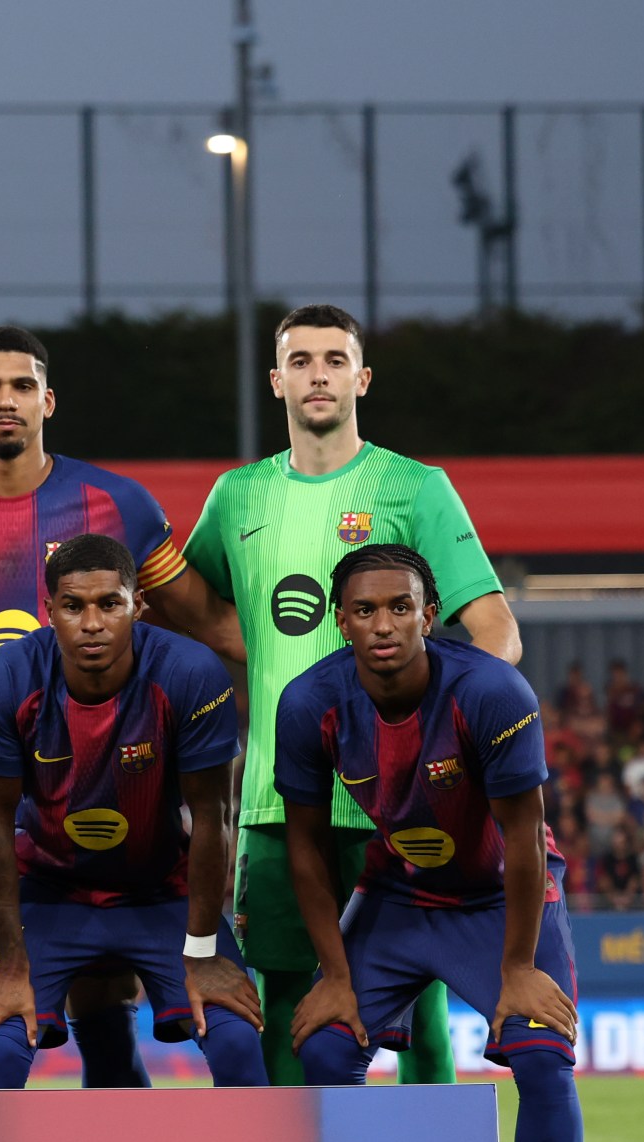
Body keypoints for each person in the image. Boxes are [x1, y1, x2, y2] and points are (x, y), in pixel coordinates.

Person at [0, 325, 242, 1089]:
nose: (7, 400)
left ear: (48, 401)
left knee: (100, 989)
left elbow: (210, 623)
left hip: (97, 777)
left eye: (23, 386)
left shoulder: (118, 503)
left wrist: (326, 662)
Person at [184, 303, 521, 1086]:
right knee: (284, 1001)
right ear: (276, 381)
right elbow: (184, 604)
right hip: (275, 797)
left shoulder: (415, 487)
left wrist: (451, 734)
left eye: (335, 360)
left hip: (397, 799)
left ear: (361, 378)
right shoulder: (237, 495)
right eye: (300, 361)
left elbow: (496, 631)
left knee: (417, 1013)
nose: (318, 375)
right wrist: (253, 647)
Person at [277, 543, 581, 1142]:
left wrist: (519, 966)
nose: (383, 624)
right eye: (365, 610)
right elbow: (307, 846)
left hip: (503, 898)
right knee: (327, 1046)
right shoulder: (309, 702)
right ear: (340, 621)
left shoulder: (490, 691)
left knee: (542, 1057)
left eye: (400, 607)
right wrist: (333, 975)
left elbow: (525, 836)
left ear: (429, 614)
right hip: (398, 895)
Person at [0, 535, 266, 1088]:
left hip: (160, 892)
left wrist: (202, 953)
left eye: (110, 604)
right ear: (49, 610)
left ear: (138, 605)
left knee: (237, 1038)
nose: (92, 623)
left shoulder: (190, 673)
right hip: (47, 894)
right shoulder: (8, 676)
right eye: (73, 606)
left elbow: (213, 817)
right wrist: (10, 963)